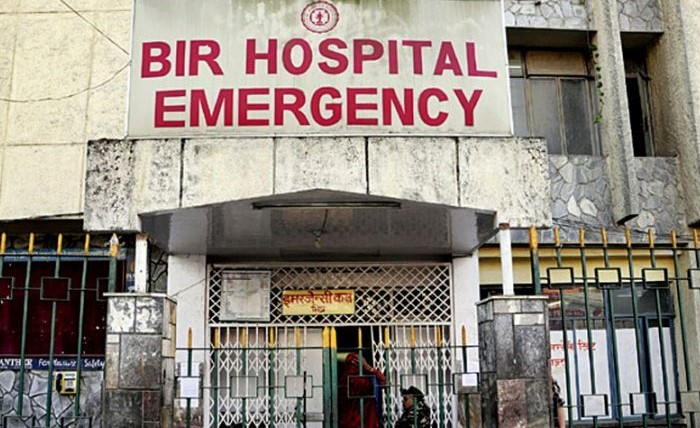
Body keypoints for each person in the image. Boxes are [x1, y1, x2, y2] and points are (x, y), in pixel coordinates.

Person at [338, 352, 386, 428]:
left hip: (347, 423)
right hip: (365, 423)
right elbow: (383, 382)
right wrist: (369, 368)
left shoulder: (342, 382)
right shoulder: (364, 382)